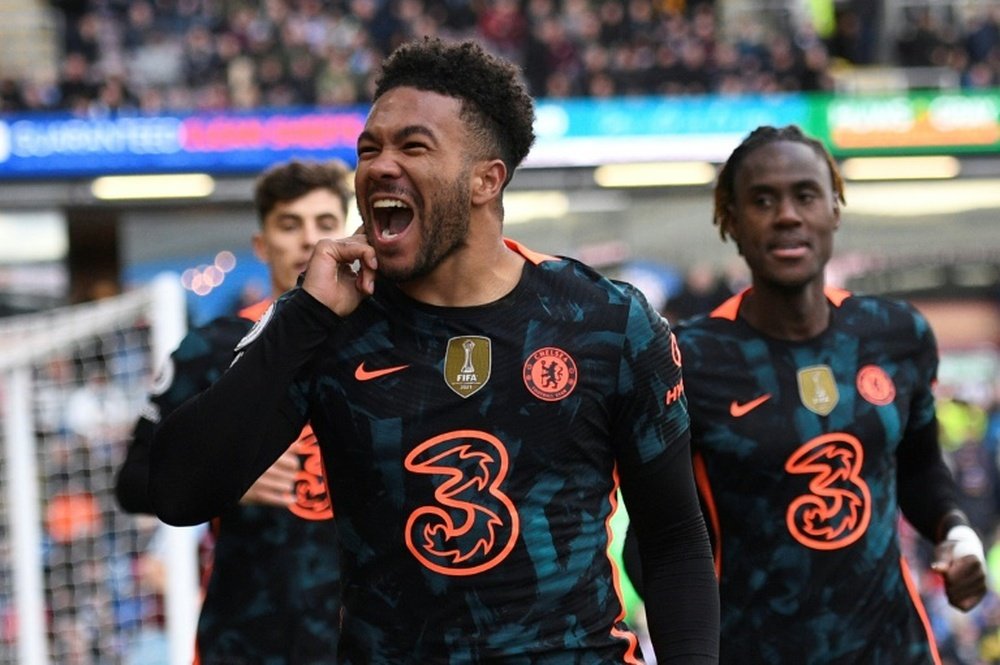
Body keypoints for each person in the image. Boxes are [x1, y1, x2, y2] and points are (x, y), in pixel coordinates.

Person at [148, 37, 719, 664]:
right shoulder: (324, 323)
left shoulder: (607, 319)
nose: (380, 166)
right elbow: (178, 492)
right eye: (370, 148)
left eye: (413, 146)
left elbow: (673, 538)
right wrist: (304, 317)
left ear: (485, 180)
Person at [628, 124, 987, 663]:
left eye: (805, 194)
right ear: (731, 222)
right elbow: (654, 542)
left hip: (894, 649)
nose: (787, 215)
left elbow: (918, 466)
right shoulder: (687, 362)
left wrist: (955, 532)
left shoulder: (896, 334)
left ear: (834, 210)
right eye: (762, 200)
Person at [115, 158, 352, 663]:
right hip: (247, 636)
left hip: (367, 636)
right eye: (290, 225)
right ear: (262, 245)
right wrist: (225, 480)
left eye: (325, 224)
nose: (309, 240)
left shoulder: (383, 341)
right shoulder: (212, 346)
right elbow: (134, 481)